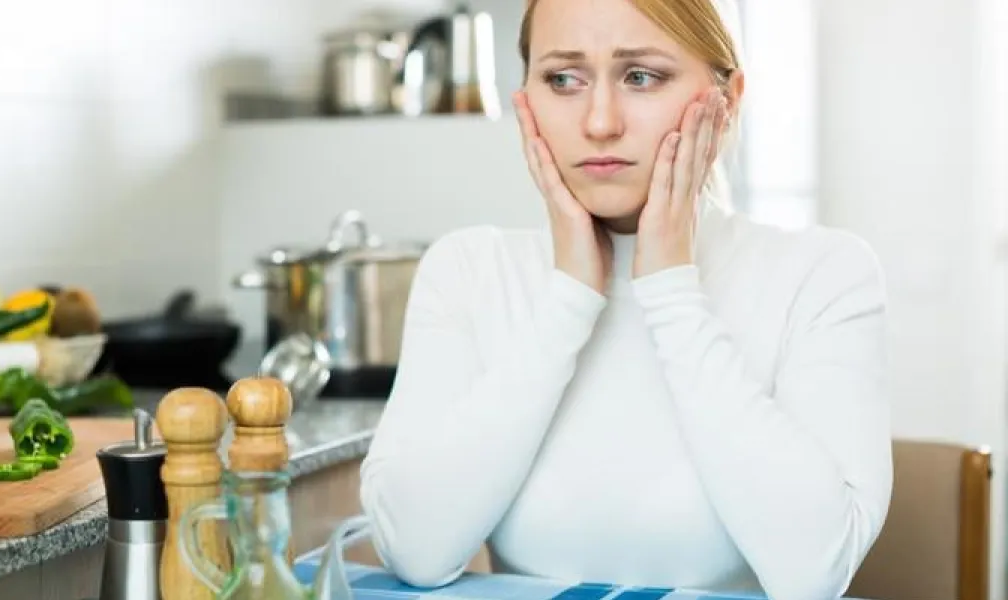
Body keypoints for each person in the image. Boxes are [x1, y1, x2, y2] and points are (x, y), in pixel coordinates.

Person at [356, 0, 894, 598]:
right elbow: (415, 550)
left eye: (641, 76)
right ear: (526, 98)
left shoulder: (822, 276)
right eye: (564, 79)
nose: (600, 122)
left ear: (729, 99)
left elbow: (812, 576)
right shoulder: (467, 272)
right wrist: (570, 296)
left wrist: (670, 288)